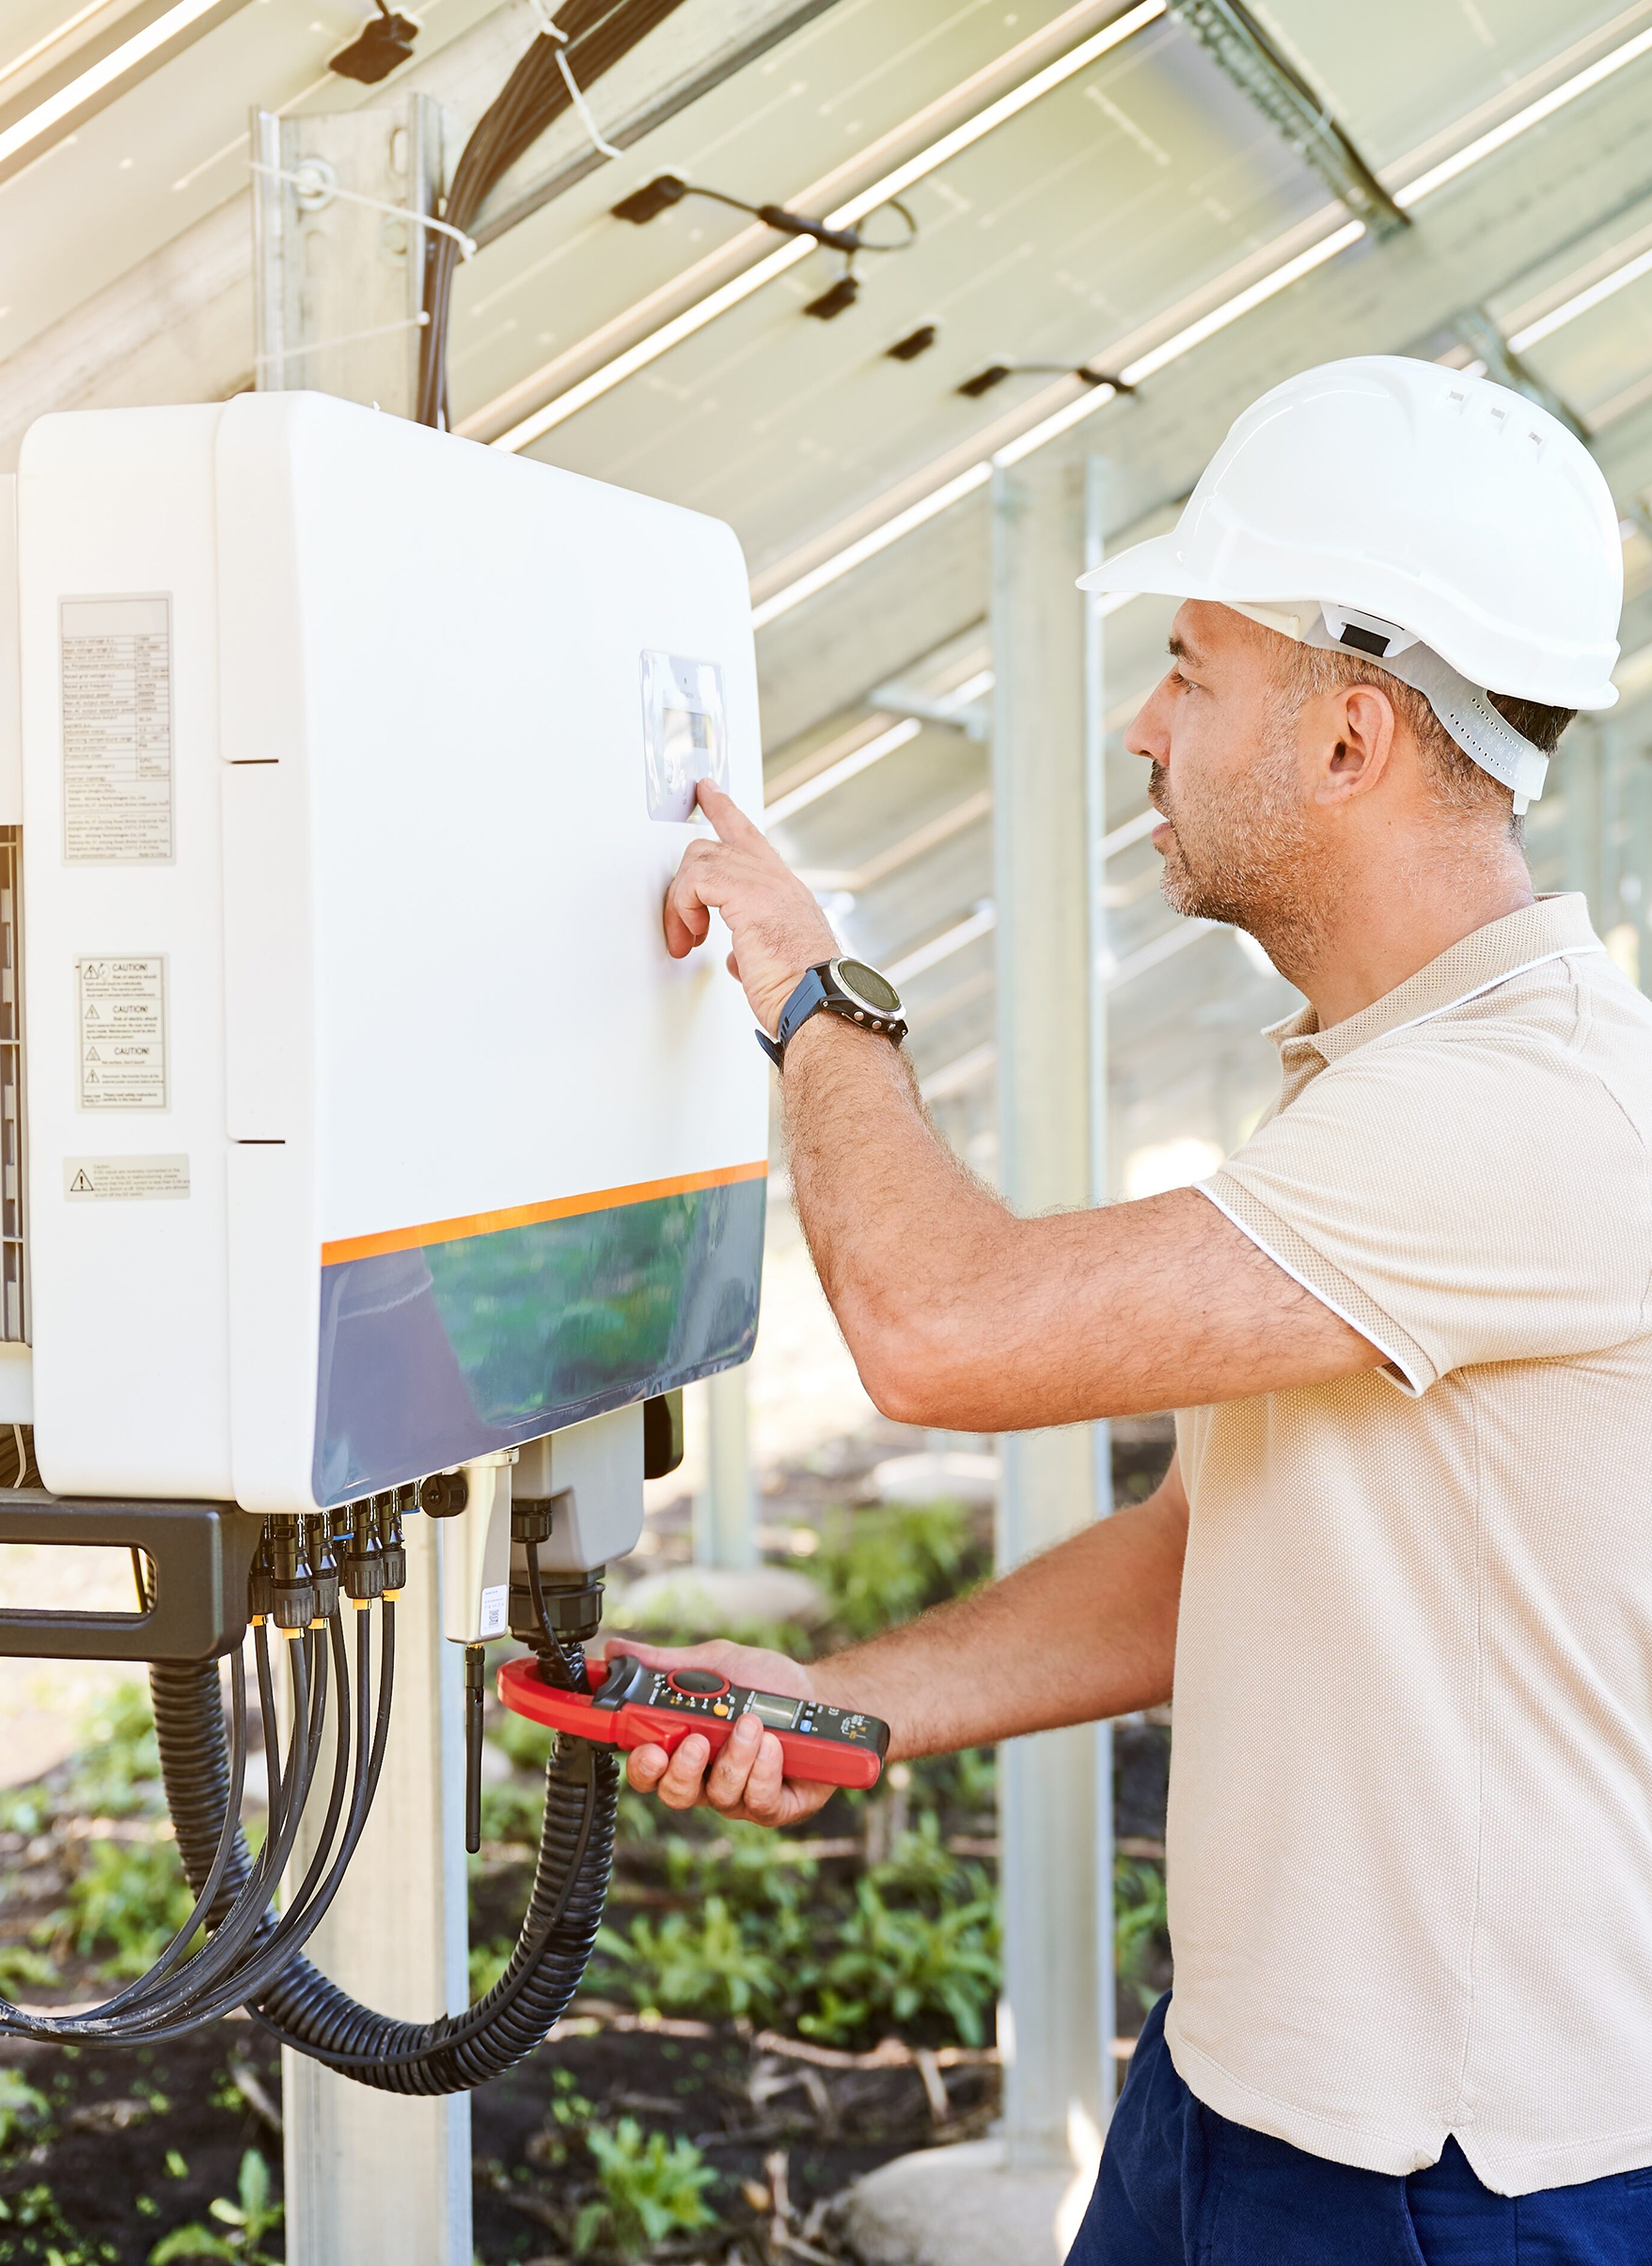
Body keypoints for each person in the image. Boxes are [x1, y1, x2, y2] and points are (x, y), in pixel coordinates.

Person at [614, 355, 1652, 2262]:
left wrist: (817, 990)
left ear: (1348, 738)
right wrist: (848, 1699)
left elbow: (945, 1329)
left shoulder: (1526, 1108)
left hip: (1448, 2179)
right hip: (1247, 2090)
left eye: (1190, 664)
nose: (1138, 721)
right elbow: (1211, 1552)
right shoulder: (1396, 1068)